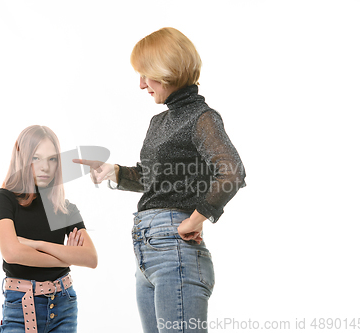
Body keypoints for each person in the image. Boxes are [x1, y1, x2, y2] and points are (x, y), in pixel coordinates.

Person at [73, 27, 246, 333]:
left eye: (146, 75)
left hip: (173, 249)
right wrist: (113, 171)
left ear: (167, 71)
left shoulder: (202, 117)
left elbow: (231, 171)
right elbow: (154, 178)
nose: (141, 85)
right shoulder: (159, 121)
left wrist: (197, 218)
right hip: (146, 252)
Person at [0, 125, 97, 333]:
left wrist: (36, 245)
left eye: (52, 159)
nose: (45, 167)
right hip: (21, 306)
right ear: (22, 159)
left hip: (63, 304)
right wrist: (68, 256)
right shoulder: (5, 199)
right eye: (36, 158)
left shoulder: (64, 208)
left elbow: (91, 258)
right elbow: (12, 253)